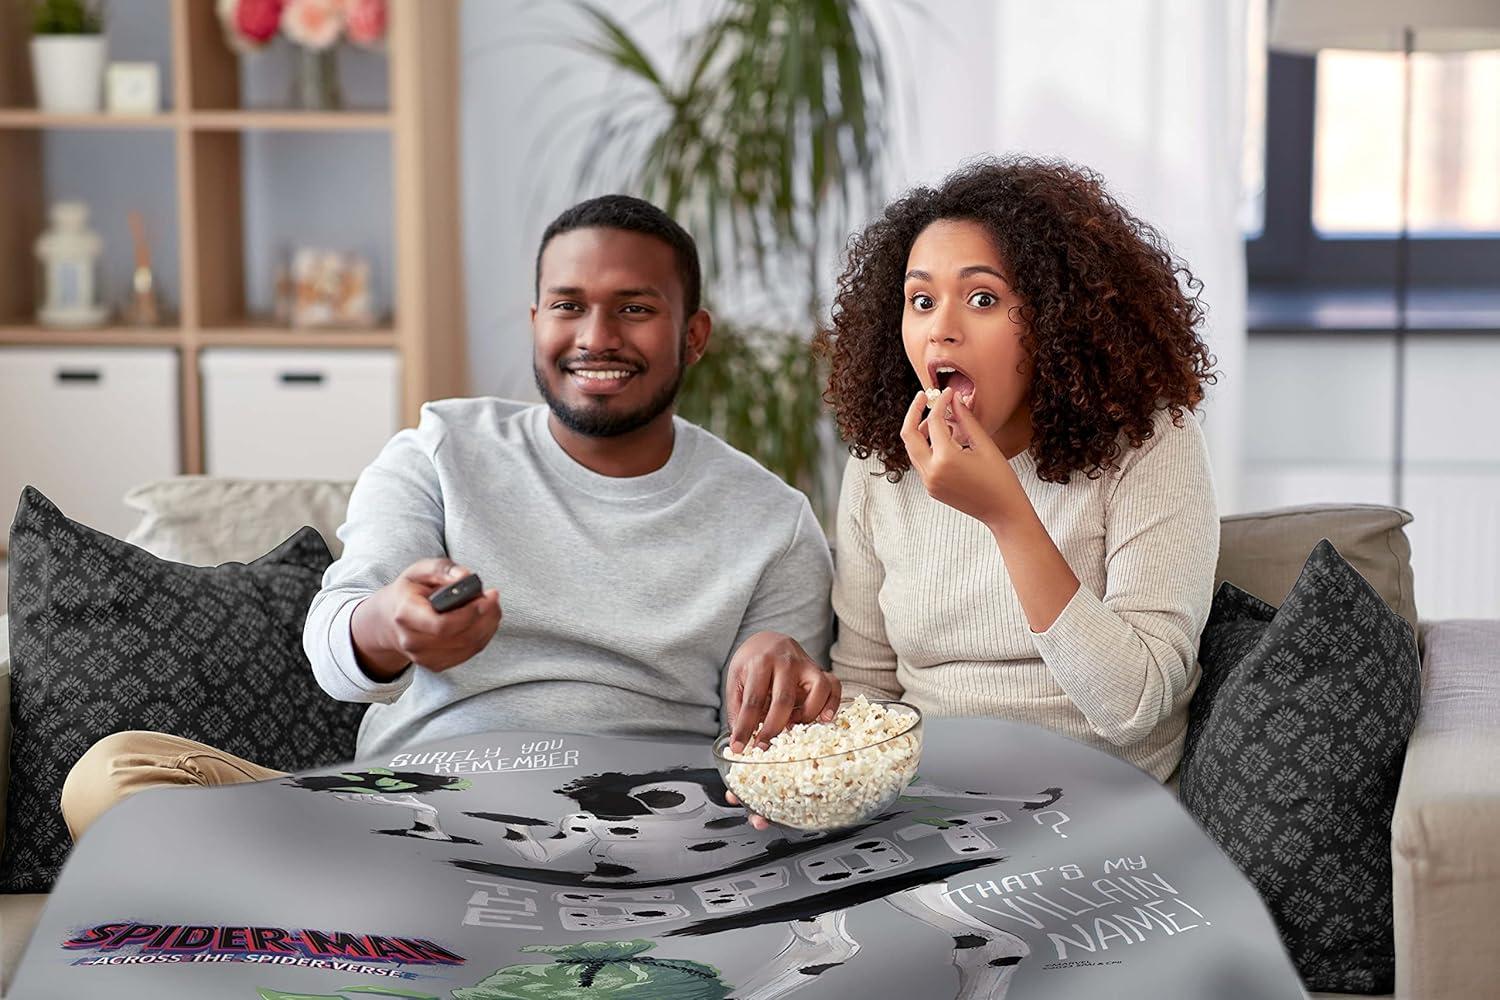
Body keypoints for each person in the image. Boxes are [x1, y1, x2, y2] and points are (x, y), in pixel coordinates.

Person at [61, 195, 838, 840]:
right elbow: (335, 649)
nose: (596, 338)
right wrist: (392, 628)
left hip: (642, 836)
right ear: (536, 320)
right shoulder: (439, 451)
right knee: (114, 776)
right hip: (411, 823)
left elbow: (780, 764)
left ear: (692, 336)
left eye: (634, 309)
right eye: (568, 306)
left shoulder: (773, 522)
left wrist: (777, 682)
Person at [734, 157, 1219, 785]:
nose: (941, 329)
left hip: (1101, 803)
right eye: (921, 301)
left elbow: (1135, 706)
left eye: (982, 299)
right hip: (929, 803)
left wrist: (1005, 514)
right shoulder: (883, 464)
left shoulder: (1150, 443)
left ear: (1057, 318)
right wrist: (811, 772)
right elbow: (870, 687)